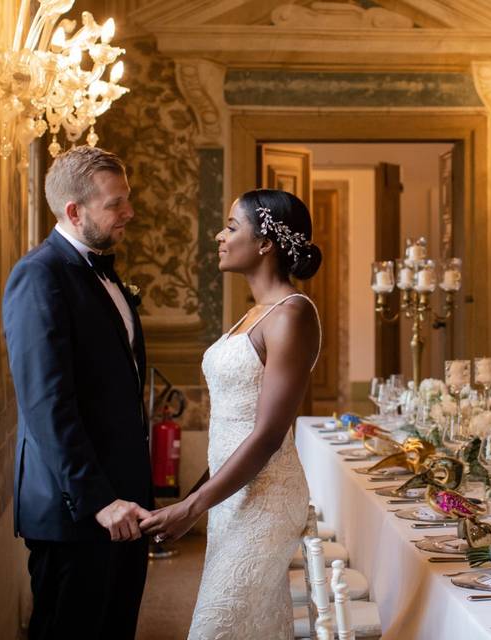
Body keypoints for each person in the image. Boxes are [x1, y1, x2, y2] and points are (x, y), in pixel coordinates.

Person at [140, 188, 322, 639]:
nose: (220, 236)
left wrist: (191, 508)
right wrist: (193, 501)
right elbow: (230, 429)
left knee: (217, 626)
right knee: (253, 625)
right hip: (233, 495)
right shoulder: (252, 316)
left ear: (265, 243)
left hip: (267, 498)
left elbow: (266, 434)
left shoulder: (292, 315)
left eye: (231, 226)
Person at [2, 146, 152, 640]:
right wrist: (98, 501)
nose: (128, 212)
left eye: (126, 199)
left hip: (125, 503)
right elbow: (46, 405)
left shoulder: (101, 271)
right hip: (77, 509)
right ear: (74, 211)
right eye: (115, 204)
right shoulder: (39, 275)